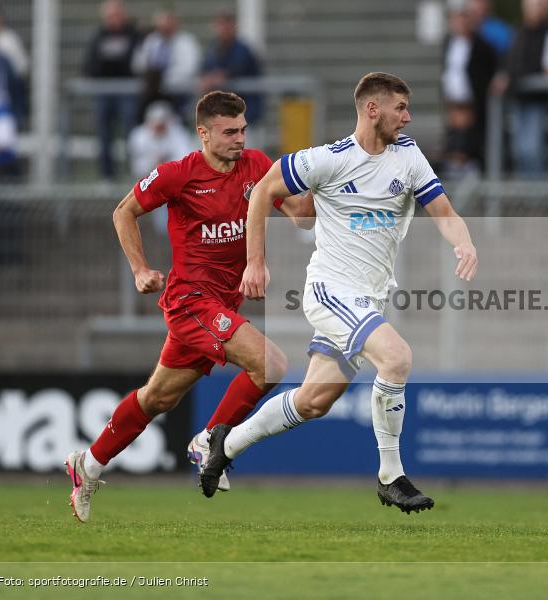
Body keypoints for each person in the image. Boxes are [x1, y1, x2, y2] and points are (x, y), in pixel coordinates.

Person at [197, 72, 478, 514]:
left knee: (313, 401)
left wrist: (462, 240)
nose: (407, 118)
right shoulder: (330, 159)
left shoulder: (408, 156)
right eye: (399, 108)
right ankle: (391, 477)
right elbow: (263, 191)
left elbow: (443, 211)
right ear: (372, 109)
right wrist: (255, 261)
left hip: (369, 298)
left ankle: (224, 444)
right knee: (397, 357)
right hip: (331, 291)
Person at [63, 91, 315, 523]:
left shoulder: (256, 165)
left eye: (243, 129)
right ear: (203, 134)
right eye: (229, 132)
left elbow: (302, 216)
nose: (240, 139)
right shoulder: (178, 175)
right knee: (271, 365)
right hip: (190, 301)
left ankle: (88, 464)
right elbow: (123, 212)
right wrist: (140, 269)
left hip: (222, 304)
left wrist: (322, 178)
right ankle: (210, 440)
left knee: (157, 398)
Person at [495, 0, 548, 179]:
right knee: (519, 151)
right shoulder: (519, 32)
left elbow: (538, 63)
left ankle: (538, 198)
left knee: (533, 151)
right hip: (519, 99)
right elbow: (512, 60)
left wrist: (511, 77)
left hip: (538, 101)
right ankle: (525, 198)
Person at [84, 0, 141, 179]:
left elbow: (138, 63)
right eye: (110, 16)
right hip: (104, 93)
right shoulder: (98, 37)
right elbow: (89, 67)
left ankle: (135, 172)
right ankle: (108, 176)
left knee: (131, 131)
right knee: (104, 134)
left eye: (117, 15)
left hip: (128, 92)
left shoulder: (134, 35)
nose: (114, 19)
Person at [440, 4, 497, 178]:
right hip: (453, 103)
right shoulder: (449, 43)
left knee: (471, 146)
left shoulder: (482, 46)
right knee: (454, 145)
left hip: (473, 105)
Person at [128, 100, 197, 234]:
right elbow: (137, 167)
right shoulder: (139, 136)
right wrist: (154, 164)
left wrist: (164, 167)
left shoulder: (177, 133)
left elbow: (186, 159)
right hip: (146, 183)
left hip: (173, 183)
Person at [132, 9, 201, 120]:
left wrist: (164, 79)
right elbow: (139, 63)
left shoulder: (186, 42)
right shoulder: (152, 41)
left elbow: (189, 69)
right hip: (154, 92)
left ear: (175, 24)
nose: (165, 29)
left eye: (168, 25)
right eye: (162, 26)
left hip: (178, 92)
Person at [200, 10, 263, 124]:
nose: (223, 29)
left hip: (245, 114)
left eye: (226, 25)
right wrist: (207, 78)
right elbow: (205, 70)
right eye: (220, 25)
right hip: (222, 115)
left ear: (233, 27)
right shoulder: (213, 48)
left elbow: (234, 70)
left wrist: (215, 78)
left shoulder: (243, 49)